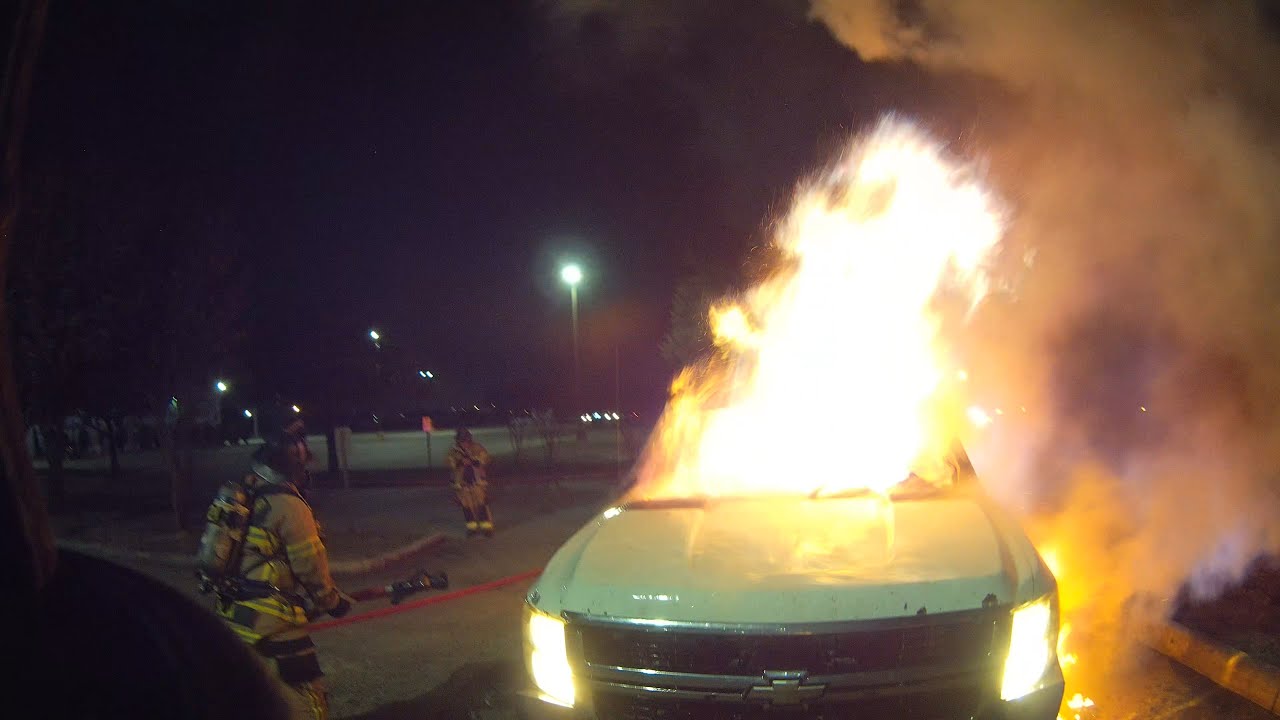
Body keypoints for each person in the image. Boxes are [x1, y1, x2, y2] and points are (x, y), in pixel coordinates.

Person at [204, 428, 352, 720]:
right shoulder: (291, 506)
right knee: (307, 699)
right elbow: (310, 568)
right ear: (294, 466)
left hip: (233, 617)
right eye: (304, 464)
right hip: (274, 627)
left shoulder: (243, 494)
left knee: (251, 697)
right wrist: (333, 603)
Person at [447, 428, 493, 536]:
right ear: (458, 441)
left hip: (477, 481)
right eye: (462, 441)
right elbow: (449, 462)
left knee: (481, 505)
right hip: (461, 483)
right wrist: (460, 462)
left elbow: (486, 458)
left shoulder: (477, 448)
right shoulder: (453, 451)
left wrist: (473, 460)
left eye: (466, 441)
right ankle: (472, 528)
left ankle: (486, 528)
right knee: (466, 507)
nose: (465, 443)